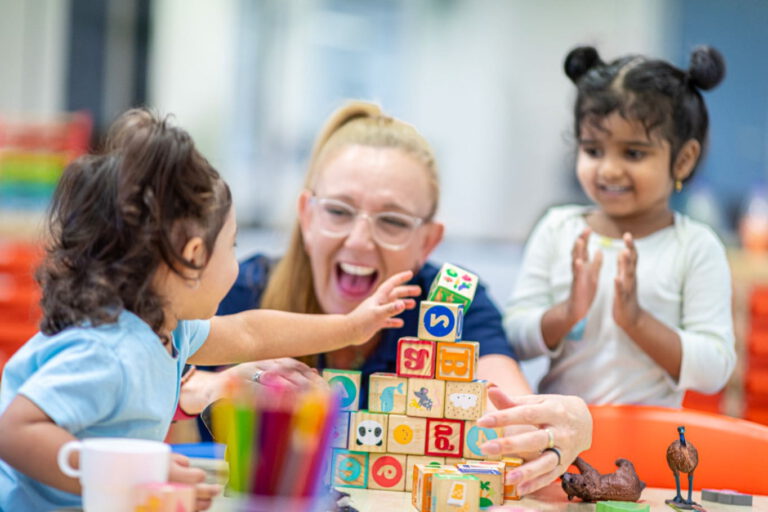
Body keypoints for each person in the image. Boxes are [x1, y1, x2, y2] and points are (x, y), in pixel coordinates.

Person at [0, 108, 419, 512]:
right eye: (232, 245)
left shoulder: (166, 332)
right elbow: (14, 433)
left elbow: (251, 334)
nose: (237, 263)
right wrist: (138, 475)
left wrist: (350, 327)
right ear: (195, 256)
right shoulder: (107, 351)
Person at [183, 101, 593, 495]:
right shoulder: (238, 292)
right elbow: (152, 378)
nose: (360, 241)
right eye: (339, 212)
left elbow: (513, 419)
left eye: (393, 221)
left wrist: (561, 427)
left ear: (427, 242)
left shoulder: (455, 306)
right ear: (306, 217)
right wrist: (212, 386)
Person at [504, 46, 736, 407]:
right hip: (559, 443)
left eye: (633, 153)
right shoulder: (557, 230)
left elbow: (715, 368)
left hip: (651, 448)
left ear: (683, 160)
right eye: (593, 150)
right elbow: (513, 338)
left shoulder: (695, 246)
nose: (609, 169)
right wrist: (568, 313)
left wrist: (636, 321)